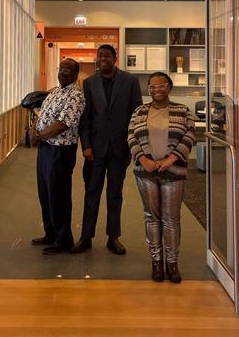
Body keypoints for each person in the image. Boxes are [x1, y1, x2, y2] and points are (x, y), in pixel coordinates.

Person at [71, 44, 142, 255]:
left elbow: (136, 116)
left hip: (120, 149)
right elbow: (86, 118)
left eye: (107, 56)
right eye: (100, 56)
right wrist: (86, 146)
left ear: (115, 58)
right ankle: (86, 237)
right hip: (95, 149)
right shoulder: (89, 83)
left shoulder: (130, 81)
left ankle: (113, 237)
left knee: (115, 194)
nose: (103, 59)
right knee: (91, 193)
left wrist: (133, 146)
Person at [127, 71, 196, 282]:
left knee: (171, 219)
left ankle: (172, 264)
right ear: (148, 89)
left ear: (169, 87)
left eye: (161, 85)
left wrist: (171, 159)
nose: (156, 89)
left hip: (173, 172)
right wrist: (143, 159)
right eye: (152, 86)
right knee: (151, 217)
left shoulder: (182, 111)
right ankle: (156, 262)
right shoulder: (139, 111)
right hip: (146, 172)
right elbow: (131, 136)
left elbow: (190, 135)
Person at [30, 58, 85, 254]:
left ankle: (63, 239)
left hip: (60, 150)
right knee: (45, 192)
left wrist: (39, 135)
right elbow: (41, 114)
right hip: (46, 148)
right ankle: (50, 233)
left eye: (68, 69)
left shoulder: (76, 96)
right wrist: (34, 130)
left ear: (76, 74)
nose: (63, 72)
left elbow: (63, 124)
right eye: (61, 68)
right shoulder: (55, 92)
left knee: (58, 194)